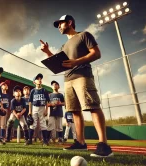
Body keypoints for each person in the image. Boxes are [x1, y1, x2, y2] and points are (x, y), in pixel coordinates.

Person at [40, 14, 113, 157]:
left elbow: (96, 53)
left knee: (92, 106)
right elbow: (61, 62)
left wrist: (77, 62)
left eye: (60, 24)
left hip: (82, 75)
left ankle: (104, 145)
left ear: (70, 22)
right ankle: (80, 143)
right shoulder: (63, 46)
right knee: (74, 111)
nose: (59, 27)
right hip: (67, 79)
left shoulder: (84, 35)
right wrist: (48, 52)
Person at [28, 73, 50, 146]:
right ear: (34, 82)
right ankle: (30, 140)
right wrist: (30, 111)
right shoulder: (33, 91)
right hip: (34, 107)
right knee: (32, 124)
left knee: (43, 124)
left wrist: (46, 110)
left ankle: (45, 141)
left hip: (42, 107)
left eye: (40, 79)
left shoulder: (44, 90)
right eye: (37, 79)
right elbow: (30, 102)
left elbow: (47, 101)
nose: (40, 80)